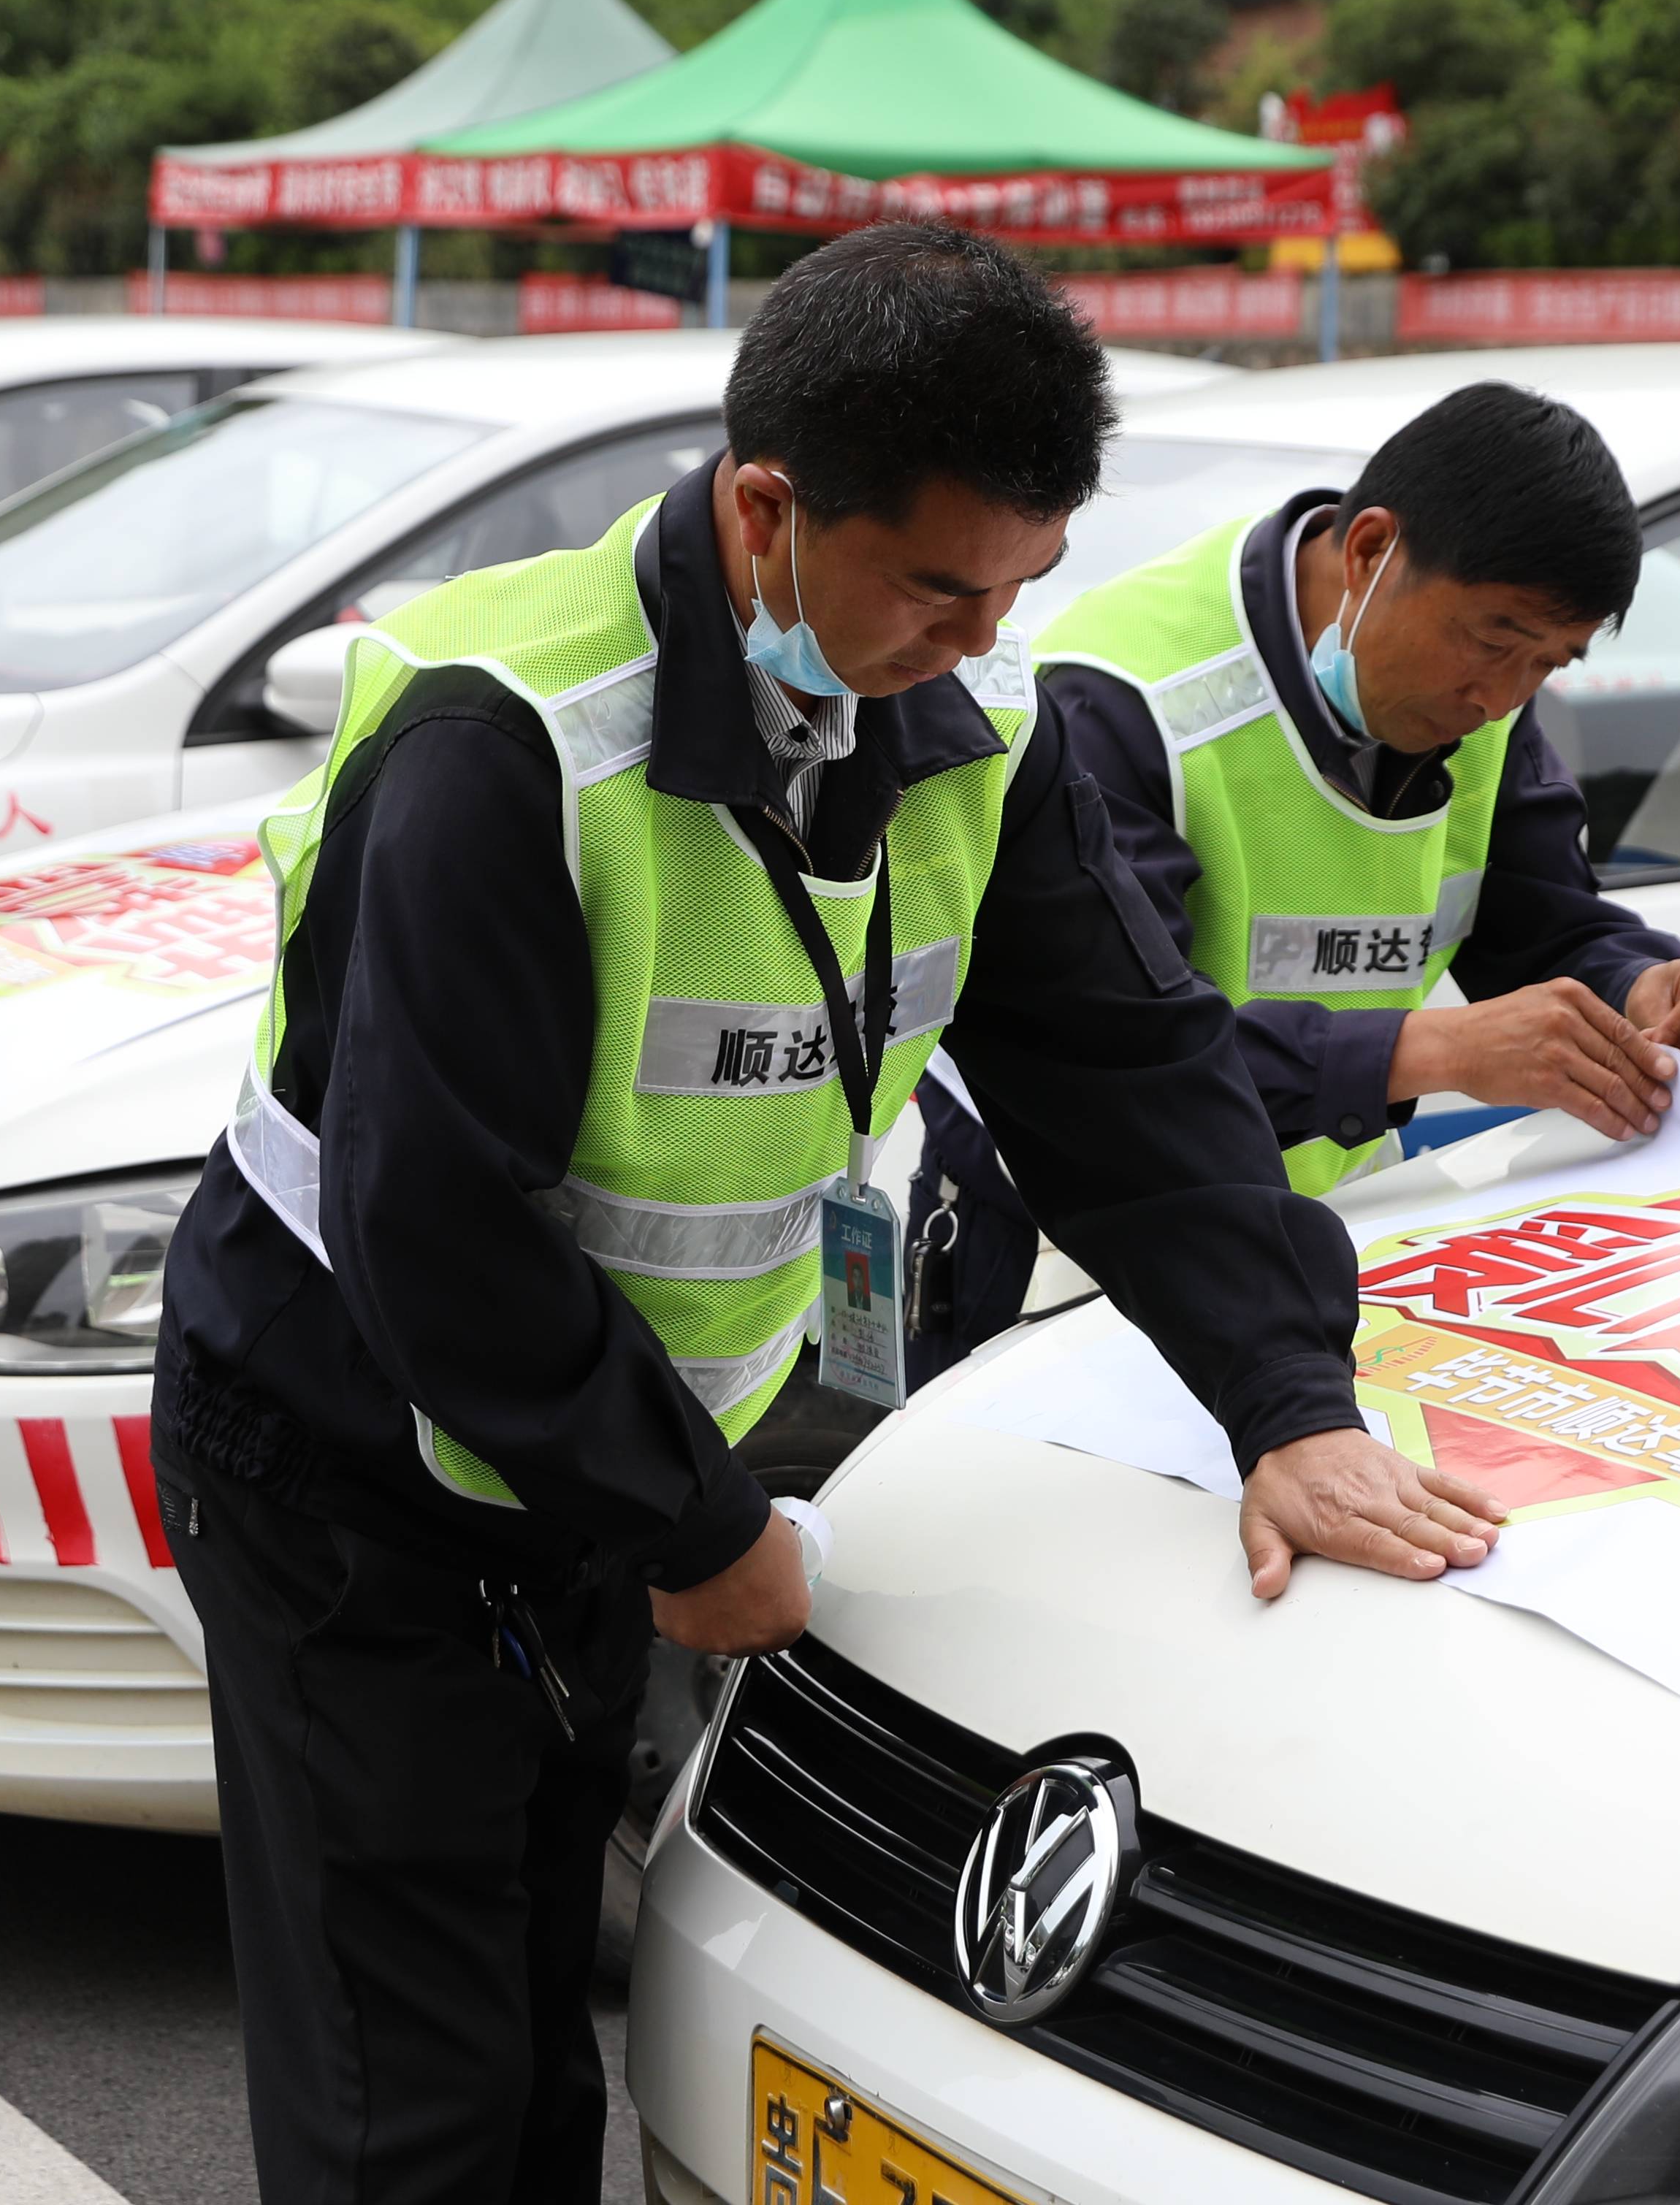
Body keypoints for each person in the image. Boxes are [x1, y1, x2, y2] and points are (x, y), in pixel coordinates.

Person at [153, 222, 1500, 2204]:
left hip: (586, 1459)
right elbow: (435, 1223)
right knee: (407, 2100)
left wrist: (1286, 1398)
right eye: (936, 586)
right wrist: (688, 1528)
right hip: (357, 1459)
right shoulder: (501, 741)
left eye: (1019, 586)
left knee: (538, 2043)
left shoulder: (971, 725)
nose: (975, 638)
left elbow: (1128, 1074)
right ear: (768, 510)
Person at [912, 381, 1680, 1369]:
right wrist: (1431, 1051)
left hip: (1325, 1227)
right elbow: (1117, 1057)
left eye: (1549, 665)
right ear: (1368, 551)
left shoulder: (1481, 707)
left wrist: (1641, 982)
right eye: (1494, 643)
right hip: (1075, 1243)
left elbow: (1544, 925)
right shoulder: (1123, 702)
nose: (1502, 697)